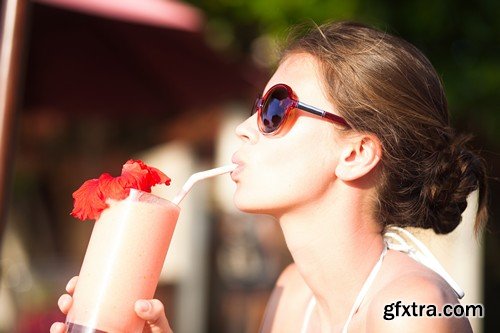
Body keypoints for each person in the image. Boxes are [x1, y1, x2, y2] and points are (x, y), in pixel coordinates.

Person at [51, 21, 488, 333]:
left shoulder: (413, 312)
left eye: (275, 109)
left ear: (355, 153)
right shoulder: (291, 292)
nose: (242, 127)